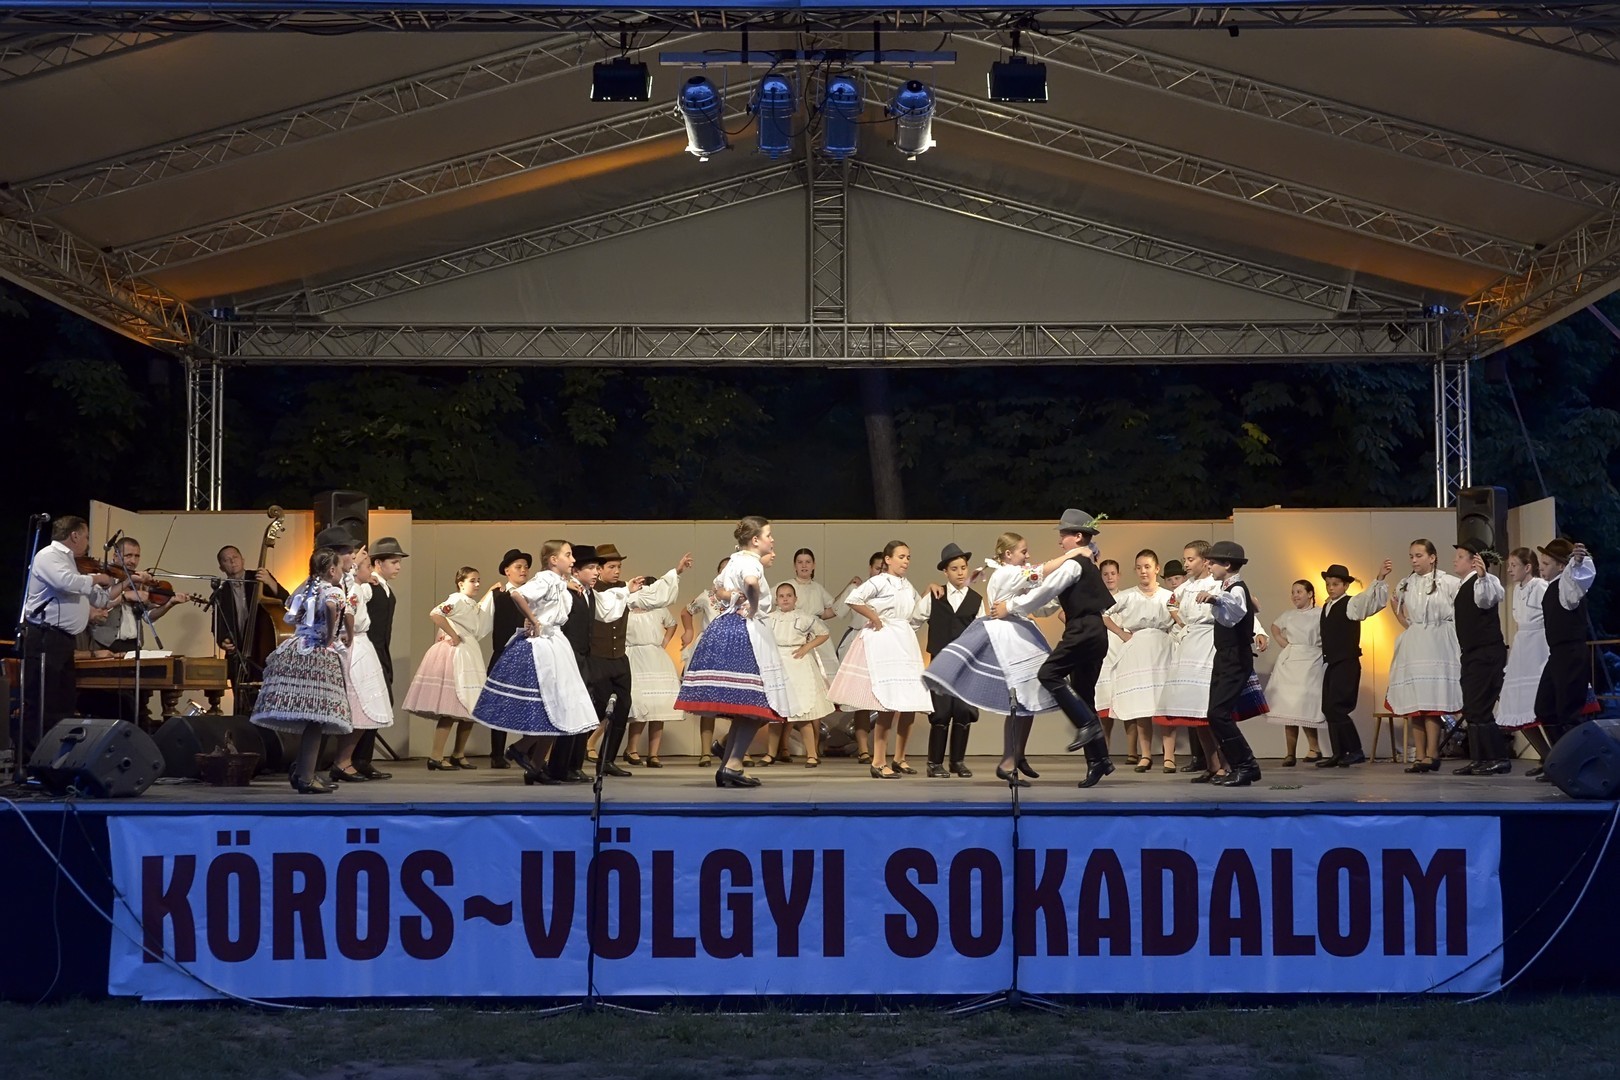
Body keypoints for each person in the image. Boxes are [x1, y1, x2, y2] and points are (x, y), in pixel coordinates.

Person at [926, 532, 1079, 787]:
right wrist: (1073, 556)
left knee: (1028, 700)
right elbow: (1038, 573)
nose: (1027, 556)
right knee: (1020, 700)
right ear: (1008, 554)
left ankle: (1017, 755)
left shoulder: (1010, 574)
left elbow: (1036, 600)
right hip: (1009, 638)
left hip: (1019, 632)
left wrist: (1057, 595)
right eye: (1023, 551)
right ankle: (1008, 761)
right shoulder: (1006, 573)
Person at [996, 508, 1114, 789]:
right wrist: (1024, 605)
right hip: (1095, 632)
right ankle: (1099, 759)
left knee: (1048, 673)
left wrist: (1010, 606)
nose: (1060, 541)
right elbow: (1051, 602)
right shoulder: (1084, 562)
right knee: (1083, 694)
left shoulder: (1074, 565)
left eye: (1064, 536)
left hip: (1083, 630)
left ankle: (1087, 725)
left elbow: (1046, 591)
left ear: (1077, 537)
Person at [676, 515, 794, 789]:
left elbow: (718, 589)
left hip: (725, 628)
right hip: (745, 633)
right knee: (759, 704)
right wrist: (752, 606)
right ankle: (733, 763)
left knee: (748, 706)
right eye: (768, 535)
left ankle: (730, 764)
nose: (772, 540)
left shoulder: (734, 559)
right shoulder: (751, 562)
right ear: (755, 540)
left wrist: (733, 598)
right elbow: (751, 583)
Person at [474, 540, 599, 785]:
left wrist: (566, 583)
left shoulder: (559, 582)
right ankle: (522, 750)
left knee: (558, 708)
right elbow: (517, 594)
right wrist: (533, 619)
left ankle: (534, 766)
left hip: (557, 643)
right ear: (553, 559)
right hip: (544, 645)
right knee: (552, 705)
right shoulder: (545, 579)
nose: (573, 560)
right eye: (568, 555)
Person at [19, 516, 141, 755]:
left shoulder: (74, 564)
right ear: (74, 535)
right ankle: (34, 757)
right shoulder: (48, 556)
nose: (88, 543)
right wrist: (98, 578)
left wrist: (125, 582)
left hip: (64, 640)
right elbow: (66, 583)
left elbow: (101, 598)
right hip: (45, 636)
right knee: (43, 701)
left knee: (63, 702)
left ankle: (57, 756)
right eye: (86, 537)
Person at [827, 540, 934, 778]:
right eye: (901, 557)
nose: (906, 561)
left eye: (908, 557)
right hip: (885, 639)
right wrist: (874, 617)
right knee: (887, 702)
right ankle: (878, 761)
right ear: (888, 559)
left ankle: (900, 758)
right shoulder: (879, 581)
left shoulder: (906, 585)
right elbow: (854, 599)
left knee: (910, 703)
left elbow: (916, 613)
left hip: (904, 639)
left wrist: (929, 591)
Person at [249, 549, 353, 794]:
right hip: (318, 654)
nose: (341, 572)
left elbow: (291, 618)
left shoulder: (306, 588)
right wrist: (332, 635)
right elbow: (334, 607)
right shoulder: (333, 590)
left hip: (297, 648)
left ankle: (302, 772)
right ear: (332, 570)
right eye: (339, 567)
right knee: (317, 717)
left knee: (312, 717)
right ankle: (305, 776)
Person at [587, 543, 691, 777]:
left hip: (618, 659)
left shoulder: (625, 590)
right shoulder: (591, 591)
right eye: (611, 566)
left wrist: (677, 572)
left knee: (623, 708)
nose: (617, 571)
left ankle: (607, 760)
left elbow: (653, 597)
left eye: (619, 566)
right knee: (598, 708)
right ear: (599, 569)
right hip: (597, 658)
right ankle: (575, 756)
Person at [403, 566, 491, 770]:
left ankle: (458, 753)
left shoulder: (469, 603)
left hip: (469, 652)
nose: (477, 584)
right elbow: (436, 613)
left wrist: (490, 592)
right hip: (457, 654)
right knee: (450, 708)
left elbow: (479, 611)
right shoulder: (457, 600)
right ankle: (436, 755)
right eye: (472, 580)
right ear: (461, 583)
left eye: (478, 580)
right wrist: (453, 634)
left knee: (471, 706)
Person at [1387, 539, 1462, 773]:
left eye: (1419, 555)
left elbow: (1462, 610)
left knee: (1432, 700)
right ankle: (1420, 755)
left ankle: (1433, 753)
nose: (1414, 560)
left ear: (1432, 557)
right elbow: (1396, 606)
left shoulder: (1449, 582)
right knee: (1416, 702)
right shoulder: (1406, 583)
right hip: (1415, 643)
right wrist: (1410, 626)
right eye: (1411, 556)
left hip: (1439, 642)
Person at [1197, 540, 1264, 788]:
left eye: (1213, 562)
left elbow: (1236, 608)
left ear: (1226, 564)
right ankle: (1241, 766)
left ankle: (1246, 766)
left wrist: (1215, 599)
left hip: (1235, 657)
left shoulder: (1235, 589)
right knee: (1215, 714)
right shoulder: (1229, 587)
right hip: (1225, 656)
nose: (1209, 566)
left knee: (1219, 714)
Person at [1102, 550, 1176, 773]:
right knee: (1141, 703)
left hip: (1162, 648)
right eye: (1139, 567)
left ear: (1156, 569)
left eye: (1147, 566)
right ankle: (1145, 755)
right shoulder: (1127, 595)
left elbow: (1181, 616)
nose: (1143, 571)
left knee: (1164, 703)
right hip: (1137, 648)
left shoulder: (1168, 595)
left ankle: (1169, 756)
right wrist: (1121, 633)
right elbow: (1103, 612)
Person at [1312, 561, 1391, 767]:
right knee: (1328, 708)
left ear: (1345, 585)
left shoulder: (1351, 604)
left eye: (1335, 584)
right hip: (1333, 663)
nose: (1331, 588)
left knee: (1338, 708)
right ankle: (1338, 753)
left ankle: (1355, 750)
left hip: (1346, 663)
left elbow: (1369, 601)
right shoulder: (1327, 606)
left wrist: (1379, 578)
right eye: (1328, 584)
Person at [329, 547, 395, 783]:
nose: (371, 571)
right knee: (358, 706)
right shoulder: (352, 588)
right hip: (355, 646)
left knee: (364, 708)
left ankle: (345, 760)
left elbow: (361, 591)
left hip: (363, 645)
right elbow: (349, 609)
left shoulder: (361, 587)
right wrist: (355, 566)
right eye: (368, 567)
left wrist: (366, 574)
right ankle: (342, 761)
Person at [1163, 540, 1226, 781]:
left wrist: (1258, 632)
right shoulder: (1185, 587)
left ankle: (1225, 764)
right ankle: (1211, 765)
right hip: (1190, 646)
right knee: (1194, 713)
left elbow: (1238, 609)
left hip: (1209, 644)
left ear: (1205, 560)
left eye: (1190, 559)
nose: (1186, 564)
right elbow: (1171, 602)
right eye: (1185, 560)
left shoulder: (1217, 584)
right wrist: (1180, 622)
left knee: (1211, 711)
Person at [1451, 539, 1511, 776]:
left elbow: (1486, 600)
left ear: (1475, 560)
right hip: (1471, 653)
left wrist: (1483, 575)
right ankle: (1479, 758)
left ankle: (1498, 757)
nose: (1455, 560)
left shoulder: (1485, 581)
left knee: (1481, 706)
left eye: (1460, 557)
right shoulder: (1463, 585)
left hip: (1486, 652)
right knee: (1472, 708)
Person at [922, 543, 982, 778]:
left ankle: (957, 761)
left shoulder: (976, 599)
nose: (960, 572)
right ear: (945, 572)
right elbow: (914, 618)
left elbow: (982, 631)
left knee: (963, 711)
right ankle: (934, 763)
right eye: (954, 568)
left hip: (966, 664)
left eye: (963, 568)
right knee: (941, 712)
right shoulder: (935, 596)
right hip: (941, 664)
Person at [211, 542, 290, 715]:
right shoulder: (221, 592)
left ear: (243, 559)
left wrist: (270, 581)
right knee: (241, 705)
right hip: (238, 656)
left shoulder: (259, 578)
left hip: (264, 651)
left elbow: (287, 600)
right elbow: (217, 625)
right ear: (221, 567)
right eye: (226, 560)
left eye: (235, 557)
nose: (232, 562)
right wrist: (223, 641)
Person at [1535, 538, 1597, 749]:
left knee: (1568, 711)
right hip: (1557, 654)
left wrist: (1576, 562)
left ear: (1562, 567)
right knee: (1544, 707)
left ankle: (1575, 759)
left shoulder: (1568, 585)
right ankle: (1560, 757)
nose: (1541, 568)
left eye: (1546, 564)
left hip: (1571, 652)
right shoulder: (1552, 587)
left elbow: (1576, 581)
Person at [352, 536, 405, 780]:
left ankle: (362, 760)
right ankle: (357, 760)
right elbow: (353, 603)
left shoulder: (383, 587)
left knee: (381, 703)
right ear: (378, 563)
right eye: (393, 562)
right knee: (371, 704)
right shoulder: (367, 587)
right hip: (367, 651)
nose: (398, 567)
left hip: (381, 651)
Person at [1497, 547, 1553, 772]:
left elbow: (1549, 616)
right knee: (1519, 709)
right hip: (1522, 649)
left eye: (1514, 565)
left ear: (1528, 567)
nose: (1510, 570)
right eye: (1509, 566)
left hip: (1538, 647)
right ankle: (1546, 756)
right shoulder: (1516, 590)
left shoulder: (1540, 586)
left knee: (1541, 706)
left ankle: (1556, 758)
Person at [88, 536, 192, 656]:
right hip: (104, 645)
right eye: (128, 555)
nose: (133, 561)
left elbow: (148, 617)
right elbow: (98, 606)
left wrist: (170, 603)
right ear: (115, 556)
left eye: (137, 556)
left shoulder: (139, 581)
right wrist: (126, 596)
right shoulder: (102, 577)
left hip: (134, 644)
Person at [765, 582, 832, 768]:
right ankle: (770, 753)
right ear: (776, 600)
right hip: (778, 664)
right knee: (776, 712)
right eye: (781, 596)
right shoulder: (769, 618)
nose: (785, 599)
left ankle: (811, 754)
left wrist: (806, 647)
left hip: (798, 663)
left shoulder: (804, 617)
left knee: (803, 711)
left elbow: (824, 633)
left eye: (789, 595)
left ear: (795, 599)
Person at [480, 547, 532, 768]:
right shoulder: (498, 596)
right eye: (518, 567)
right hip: (504, 654)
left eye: (526, 567)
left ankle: (527, 751)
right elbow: (480, 624)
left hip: (529, 654)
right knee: (500, 704)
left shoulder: (534, 594)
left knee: (529, 703)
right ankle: (497, 754)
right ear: (507, 571)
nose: (523, 570)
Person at [1265, 580, 1327, 766]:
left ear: (1310, 594)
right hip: (1290, 663)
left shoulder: (1320, 613)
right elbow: (1275, 627)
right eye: (1293, 592)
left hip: (1312, 660)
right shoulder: (1289, 615)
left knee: (1305, 706)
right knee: (1288, 707)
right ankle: (1290, 753)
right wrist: (1283, 642)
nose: (1295, 595)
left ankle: (1314, 748)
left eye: (1299, 591)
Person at [680, 557, 730, 766]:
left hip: (733, 649)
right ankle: (705, 752)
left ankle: (735, 750)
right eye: (723, 570)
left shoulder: (742, 598)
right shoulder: (707, 596)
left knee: (736, 701)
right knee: (708, 703)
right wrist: (689, 631)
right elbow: (686, 611)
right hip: (710, 650)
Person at [624, 602, 682, 767]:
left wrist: (664, 643)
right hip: (634, 654)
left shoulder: (659, 608)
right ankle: (631, 748)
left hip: (656, 657)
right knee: (641, 704)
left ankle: (653, 754)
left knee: (659, 706)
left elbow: (672, 624)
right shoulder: (627, 607)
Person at [787, 548, 857, 681]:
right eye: (800, 562)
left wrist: (849, 588)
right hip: (795, 633)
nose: (804, 565)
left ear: (814, 565)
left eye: (808, 562)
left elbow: (829, 610)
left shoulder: (817, 588)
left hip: (818, 634)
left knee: (823, 674)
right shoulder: (787, 586)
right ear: (795, 565)